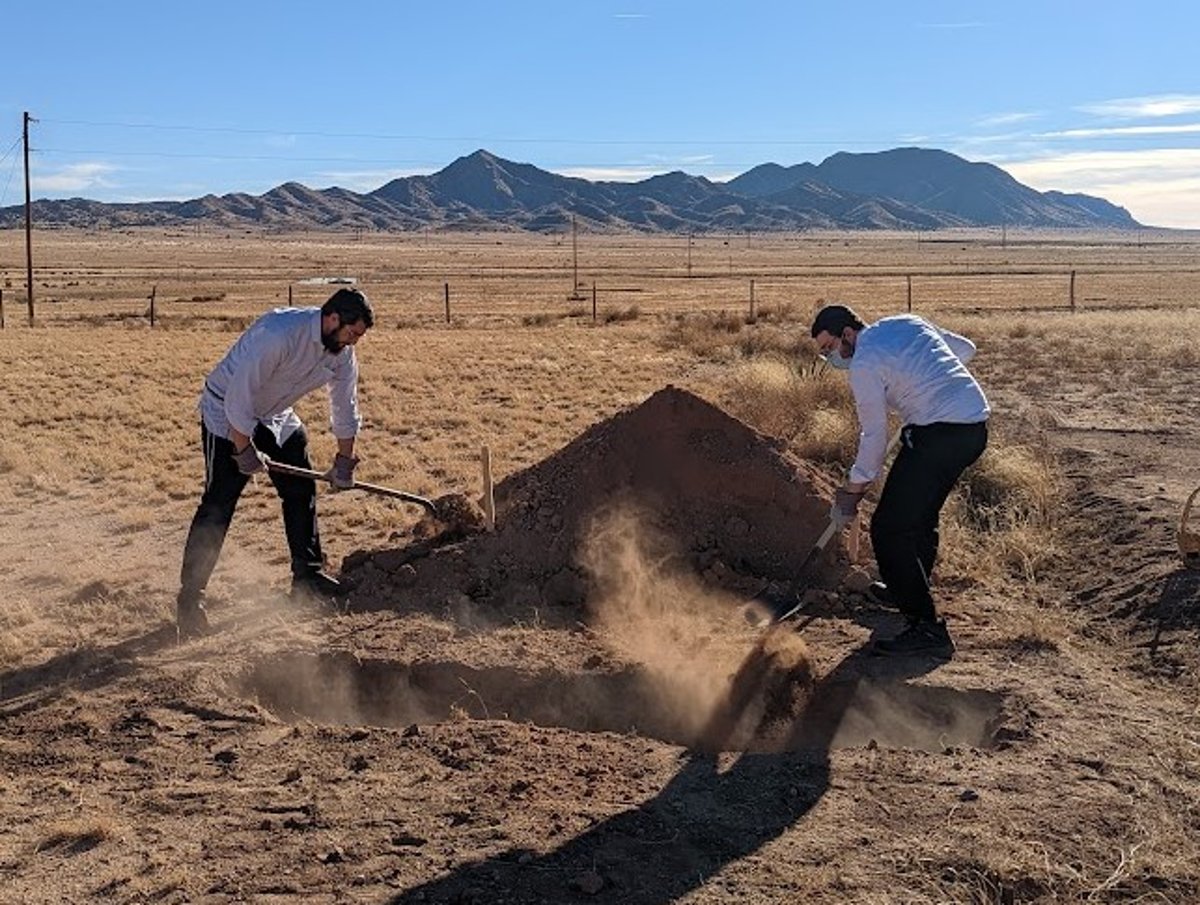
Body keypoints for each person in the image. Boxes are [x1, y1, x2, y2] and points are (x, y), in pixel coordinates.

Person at [175, 287, 375, 639]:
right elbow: (240, 396)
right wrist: (243, 450)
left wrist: (344, 460)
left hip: (275, 413)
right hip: (226, 411)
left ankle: (307, 576)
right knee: (219, 502)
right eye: (352, 333)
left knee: (301, 488)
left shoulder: (341, 353)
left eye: (358, 336)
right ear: (332, 319)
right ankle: (191, 600)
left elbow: (345, 406)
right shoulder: (280, 334)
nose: (353, 342)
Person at [810, 303, 989, 658]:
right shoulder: (906, 322)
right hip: (973, 428)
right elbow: (965, 349)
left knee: (889, 528)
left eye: (830, 348)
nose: (832, 358)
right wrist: (929, 380)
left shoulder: (863, 364)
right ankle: (906, 588)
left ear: (848, 334)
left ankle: (926, 628)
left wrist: (854, 490)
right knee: (920, 516)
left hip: (937, 434)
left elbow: (874, 435)